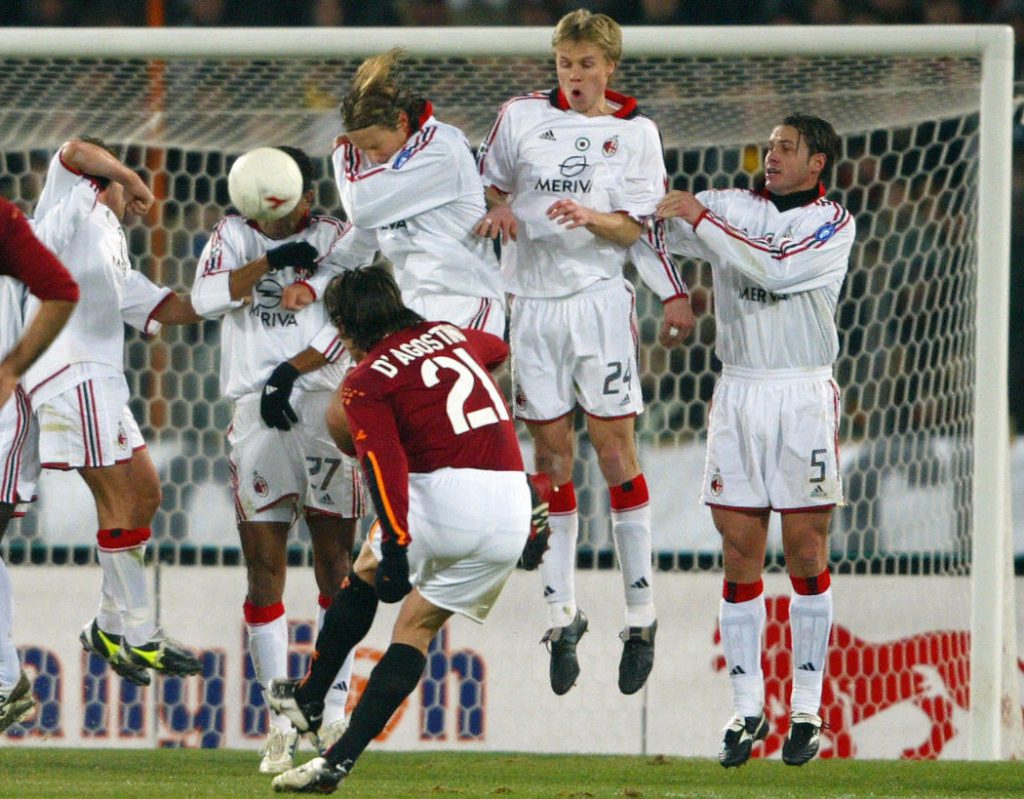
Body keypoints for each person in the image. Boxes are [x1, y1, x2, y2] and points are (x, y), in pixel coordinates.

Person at [475, 8, 693, 696]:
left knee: (615, 452)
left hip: (598, 302)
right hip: (532, 307)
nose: (574, 75)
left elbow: (637, 228)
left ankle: (641, 613)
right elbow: (489, 186)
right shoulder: (518, 117)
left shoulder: (635, 133)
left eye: (587, 64)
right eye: (566, 63)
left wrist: (596, 221)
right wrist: (501, 208)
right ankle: (561, 614)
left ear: (611, 66)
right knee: (552, 460)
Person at [267, 265, 538, 793]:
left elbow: (382, 465)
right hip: (511, 506)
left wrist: (396, 545)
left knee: (367, 568)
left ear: (345, 326)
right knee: (415, 628)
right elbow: (498, 350)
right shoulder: (453, 335)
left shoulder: (364, 382)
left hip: (446, 499)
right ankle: (336, 760)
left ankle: (311, 695)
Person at [654, 113, 853, 767]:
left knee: (804, 549)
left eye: (786, 147)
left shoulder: (833, 223)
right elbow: (648, 231)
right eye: (767, 146)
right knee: (740, 550)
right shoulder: (731, 203)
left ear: (817, 162)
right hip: (737, 391)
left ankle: (805, 707)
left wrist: (704, 227)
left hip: (801, 395)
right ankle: (745, 711)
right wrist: (674, 293)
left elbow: (771, 270)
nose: (771, 156)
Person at [191, 146, 375, 773]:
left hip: (327, 406)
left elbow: (354, 323)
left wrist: (288, 372)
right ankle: (280, 721)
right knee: (264, 570)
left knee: (335, 565)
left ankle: (333, 707)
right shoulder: (232, 235)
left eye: (283, 205)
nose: (272, 216)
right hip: (256, 414)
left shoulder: (338, 238)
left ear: (305, 198)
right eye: (261, 209)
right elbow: (206, 299)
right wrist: (270, 260)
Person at [21, 138, 205, 690]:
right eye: (126, 190)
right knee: (117, 499)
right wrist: (132, 176)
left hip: (103, 380)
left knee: (145, 493)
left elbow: (163, 306)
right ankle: (142, 636)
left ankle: (105, 627)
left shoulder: (112, 244)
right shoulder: (70, 199)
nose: (136, 202)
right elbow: (76, 149)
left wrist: (239, 291)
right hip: (67, 370)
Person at [282, 49, 504, 340]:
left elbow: (360, 210)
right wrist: (314, 284)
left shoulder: (441, 148)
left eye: (376, 145)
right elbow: (359, 240)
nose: (372, 157)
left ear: (400, 120)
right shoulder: (390, 174)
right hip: (412, 310)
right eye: (363, 150)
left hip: (465, 304)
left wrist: (343, 154)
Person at [0, 196, 79, 733]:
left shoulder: (6, 223)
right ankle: (7, 682)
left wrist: (12, 368)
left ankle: (5, 683)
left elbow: (62, 290)